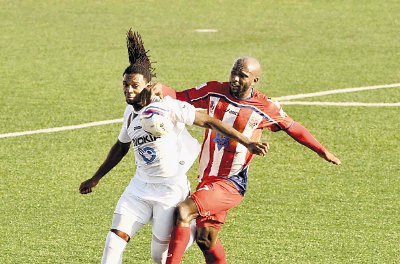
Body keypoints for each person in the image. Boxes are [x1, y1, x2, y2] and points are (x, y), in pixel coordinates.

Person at [79, 31, 269, 264]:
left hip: (169, 190)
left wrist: (246, 141)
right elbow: (121, 147)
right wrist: (96, 178)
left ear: (147, 85)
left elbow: (208, 120)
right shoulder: (129, 113)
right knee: (113, 245)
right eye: (125, 84)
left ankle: (186, 230)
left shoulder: (169, 107)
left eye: (134, 85)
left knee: (159, 257)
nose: (128, 90)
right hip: (139, 188)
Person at [148, 56, 341, 264]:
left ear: (254, 80)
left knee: (184, 211)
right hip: (207, 178)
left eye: (243, 76)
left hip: (231, 183)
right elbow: (180, 96)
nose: (235, 79)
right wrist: (162, 88)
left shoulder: (264, 106)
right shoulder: (214, 91)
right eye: (234, 72)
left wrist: (322, 150)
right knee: (205, 239)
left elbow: (293, 128)